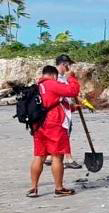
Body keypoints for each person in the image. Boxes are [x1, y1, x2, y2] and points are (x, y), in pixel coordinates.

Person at [28, 65, 80, 197]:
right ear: (54, 75)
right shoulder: (51, 84)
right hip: (53, 124)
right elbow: (72, 91)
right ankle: (59, 188)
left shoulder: (37, 86)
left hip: (38, 125)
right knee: (57, 156)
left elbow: (50, 103)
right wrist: (71, 78)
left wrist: (72, 108)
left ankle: (33, 188)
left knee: (39, 156)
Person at [43, 54, 83, 169]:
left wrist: (73, 106)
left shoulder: (61, 77)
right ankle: (68, 159)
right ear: (64, 64)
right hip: (59, 114)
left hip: (63, 111)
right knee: (63, 136)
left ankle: (50, 157)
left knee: (62, 136)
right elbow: (68, 93)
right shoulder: (57, 78)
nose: (70, 67)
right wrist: (71, 79)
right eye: (69, 64)